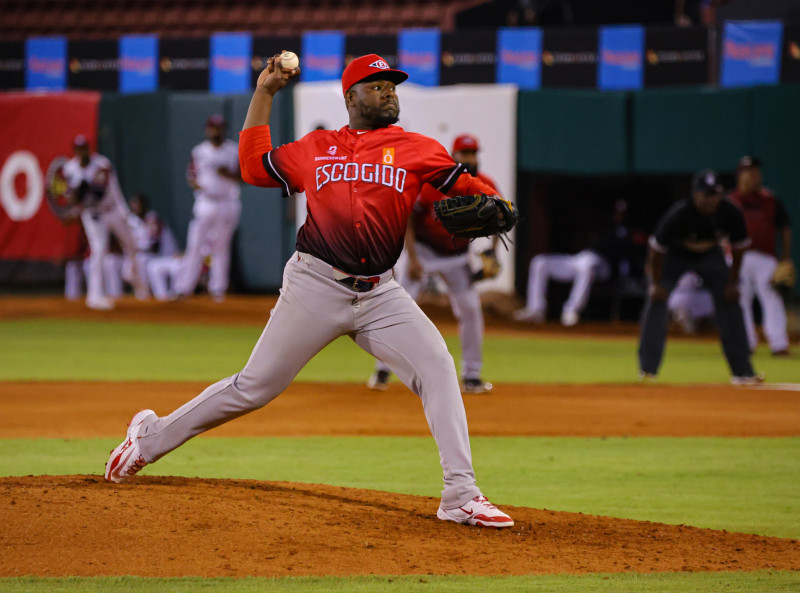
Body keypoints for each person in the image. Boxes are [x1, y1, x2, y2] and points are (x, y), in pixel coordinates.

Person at [105, 53, 515, 528]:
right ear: (350, 97)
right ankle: (148, 438)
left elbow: (468, 186)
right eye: (377, 84)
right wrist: (264, 93)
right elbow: (254, 166)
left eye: (392, 85)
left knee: (438, 367)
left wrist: (495, 200)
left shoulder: (417, 149)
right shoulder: (316, 147)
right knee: (253, 388)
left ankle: (460, 494)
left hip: (381, 295)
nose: (389, 91)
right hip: (315, 285)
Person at [366, 133, 499, 395]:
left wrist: (493, 253)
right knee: (396, 305)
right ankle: (383, 369)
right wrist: (413, 258)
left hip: (459, 256)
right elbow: (409, 221)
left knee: (471, 309)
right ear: (454, 155)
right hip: (425, 251)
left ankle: (472, 375)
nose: (470, 158)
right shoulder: (433, 183)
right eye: (464, 154)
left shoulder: (485, 183)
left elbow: (499, 217)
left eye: (473, 153)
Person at [638, 169, 761, 384]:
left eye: (715, 194)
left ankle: (743, 372)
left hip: (711, 254)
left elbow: (739, 247)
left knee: (730, 300)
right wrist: (655, 283)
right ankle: (648, 371)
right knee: (656, 301)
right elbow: (656, 249)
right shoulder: (680, 213)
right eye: (706, 194)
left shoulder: (730, 212)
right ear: (695, 194)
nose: (711, 199)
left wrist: (732, 282)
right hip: (676, 255)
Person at [62, 135, 148, 310]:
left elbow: (98, 193)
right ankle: (94, 296)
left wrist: (78, 194)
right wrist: (73, 205)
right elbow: (72, 197)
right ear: (75, 151)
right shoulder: (70, 169)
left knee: (132, 246)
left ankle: (138, 284)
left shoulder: (102, 165)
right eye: (79, 149)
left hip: (113, 210)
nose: (82, 152)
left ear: (89, 148)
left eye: (84, 148)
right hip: (93, 215)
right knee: (99, 249)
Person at [514, 200, 630, 326]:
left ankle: (571, 310)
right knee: (540, 262)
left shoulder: (625, 232)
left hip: (603, 266)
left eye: (622, 213)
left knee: (587, 264)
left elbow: (624, 256)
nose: (618, 215)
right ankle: (536, 309)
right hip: (581, 258)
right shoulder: (601, 226)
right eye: (617, 212)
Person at [728, 156, 793, 356]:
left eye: (756, 172)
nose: (754, 175)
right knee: (740, 300)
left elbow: (785, 229)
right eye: (749, 171)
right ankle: (744, 344)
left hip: (765, 257)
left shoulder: (770, 200)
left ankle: (779, 345)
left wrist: (785, 258)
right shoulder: (731, 201)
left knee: (772, 298)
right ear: (740, 175)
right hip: (737, 256)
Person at [175, 115, 242, 302]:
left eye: (219, 128)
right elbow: (191, 176)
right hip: (205, 202)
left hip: (227, 201)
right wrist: (198, 184)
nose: (215, 131)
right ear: (207, 130)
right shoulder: (199, 151)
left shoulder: (233, 150)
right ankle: (184, 287)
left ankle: (218, 289)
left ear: (224, 129)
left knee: (221, 247)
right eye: (212, 128)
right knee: (194, 244)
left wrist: (227, 174)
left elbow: (244, 177)